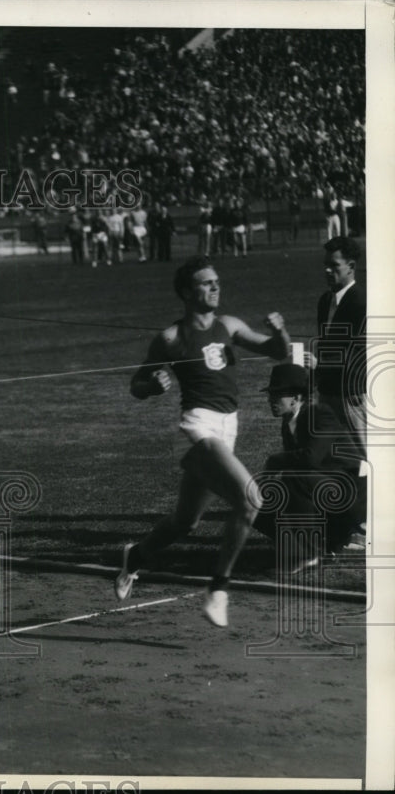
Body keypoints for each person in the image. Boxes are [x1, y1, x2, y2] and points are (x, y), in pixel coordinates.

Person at [115, 257, 290, 627]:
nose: (215, 288)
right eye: (206, 283)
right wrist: (153, 386)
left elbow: (278, 352)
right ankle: (219, 588)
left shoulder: (229, 326)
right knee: (251, 499)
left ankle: (134, 559)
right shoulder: (170, 338)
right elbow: (137, 385)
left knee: (184, 523)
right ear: (185, 292)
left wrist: (280, 332)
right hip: (197, 428)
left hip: (228, 429)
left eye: (217, 282)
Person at [252, 364, 365, 571]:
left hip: (352, 496)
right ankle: (310, 544)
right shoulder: (288, 422)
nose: (271, 400)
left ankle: (310, 552)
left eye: (277, 395)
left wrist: (274, 461)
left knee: (293, 478)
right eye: (271, 395)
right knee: (252, 499)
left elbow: (311, 458)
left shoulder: (319, 414)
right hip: (325, 492)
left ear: (295, 397)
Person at [307, 236, 367, 458]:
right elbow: (325, 343)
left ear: (351, 267)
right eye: (326, 265)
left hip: (352, 394)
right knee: (334, 454)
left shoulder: (362, 301)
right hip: (328, 392)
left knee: (365, 453)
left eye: (334, 265)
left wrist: (320, 363)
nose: (327, 271)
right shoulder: (325, 301)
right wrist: (315, 375)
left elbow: (360, 351)